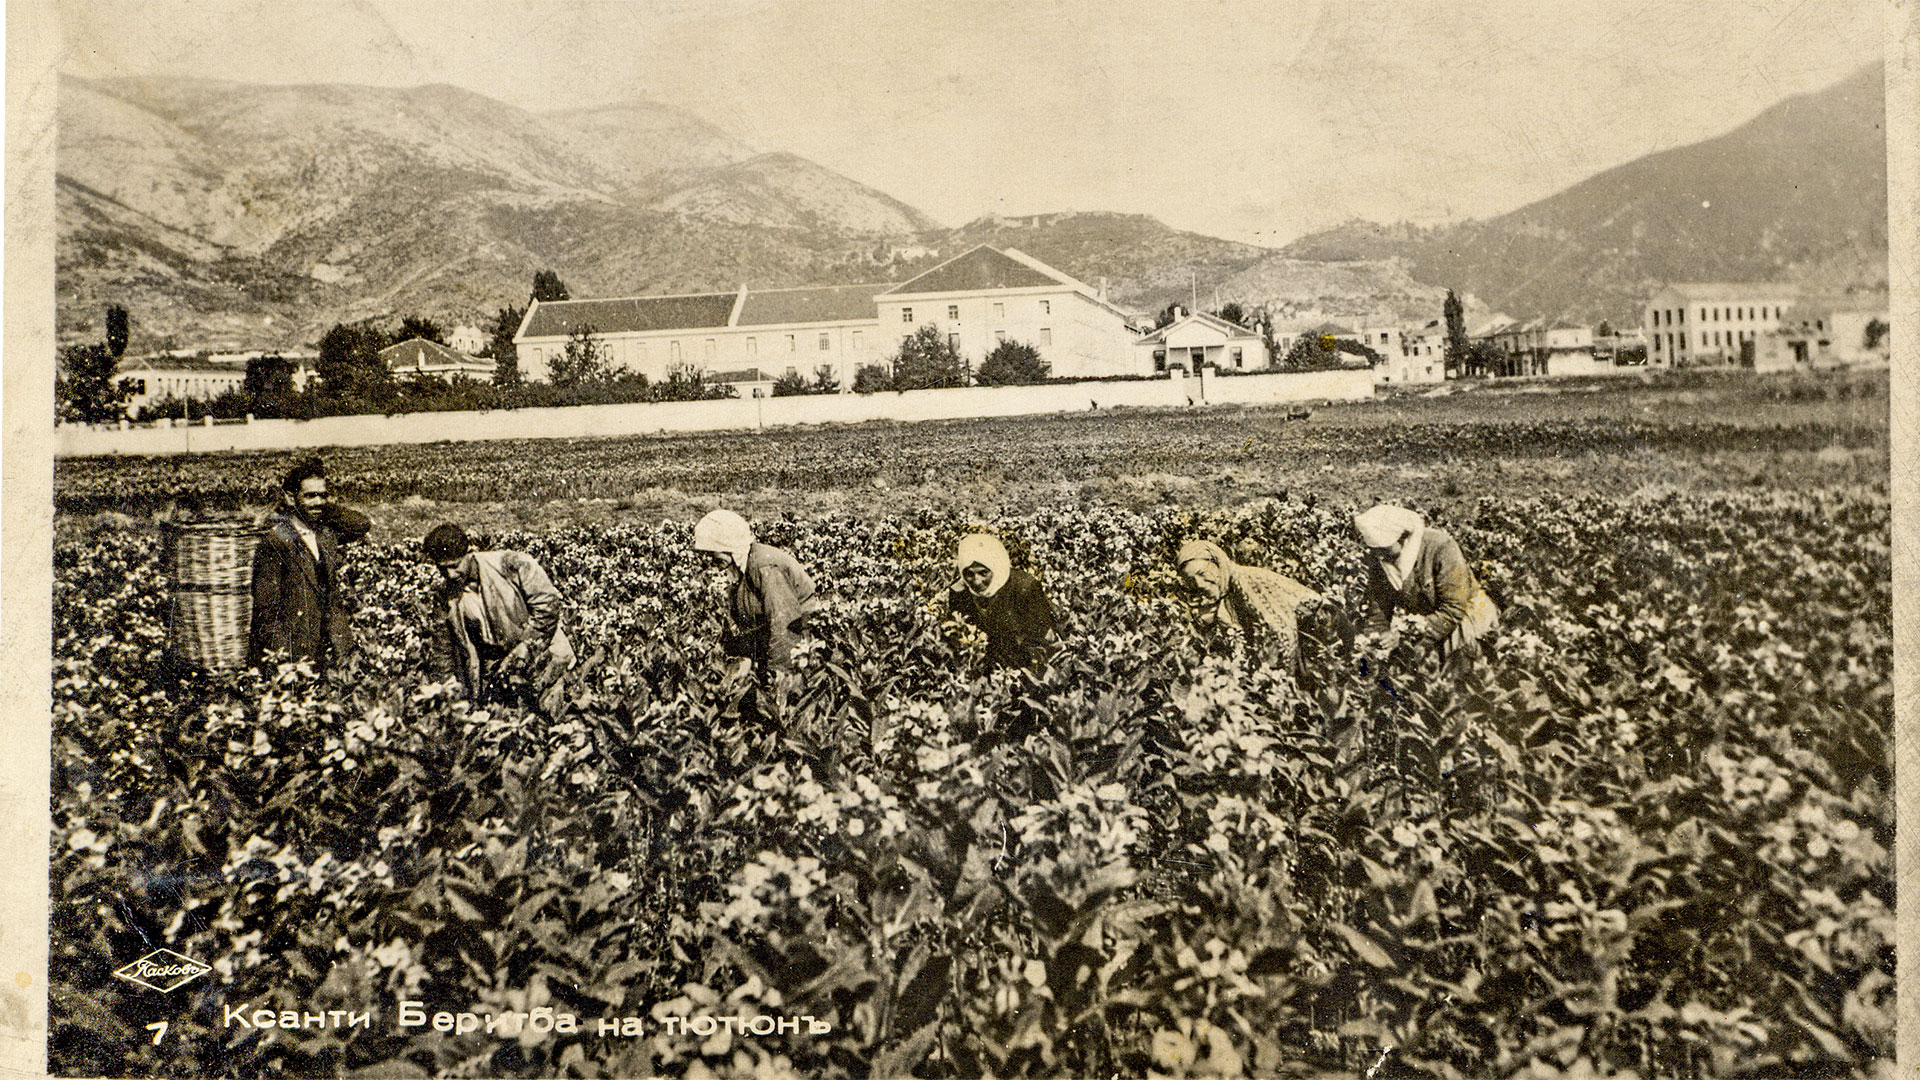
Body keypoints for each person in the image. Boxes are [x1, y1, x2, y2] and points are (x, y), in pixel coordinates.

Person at [423, 523, 575, 712]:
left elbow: (548, 608)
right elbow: (443, 649)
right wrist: (446, 691)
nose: (450, 575)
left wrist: (527, 645)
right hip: (499, 668)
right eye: (442, 569)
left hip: (544, 656)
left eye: (455, 566)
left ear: (470, 552)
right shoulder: (445, 595)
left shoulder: (513, 564)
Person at [692, 509, 820, 720]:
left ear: (729, 548)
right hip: (771, 638)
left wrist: (776, 677)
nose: (710, 561)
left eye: (713, 553)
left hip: (799, 641)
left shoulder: (764, 566)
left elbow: (784, 624)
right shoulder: (742, 566)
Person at [248, 457, 371, 674]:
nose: (318, 501)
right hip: (293, 654)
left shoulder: (325, 534)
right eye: (310, 495)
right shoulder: (277, 541)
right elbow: (266, 612)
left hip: (323, 647)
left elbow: (361, 524)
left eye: (323, 495)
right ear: (290, 497)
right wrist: (284, 660)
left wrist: (318, 505)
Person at [1353, 505, 1499, 672]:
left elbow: (1454, 608)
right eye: (1374, 550)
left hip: (1465, 618)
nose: (1379, 555)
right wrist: (1376, 638)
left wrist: (1405, 635)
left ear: (1403, 538)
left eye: (1384, 549)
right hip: (1426, 624)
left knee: (1459, 676)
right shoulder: (1379, 559)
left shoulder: (1440, 546)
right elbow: (1378, 609)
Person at [1175, 539, 1339, 674]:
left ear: (1217, 563)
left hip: (1331, 633)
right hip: (1311, 637)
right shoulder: (1231, 586)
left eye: (1202, 574)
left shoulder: (1243, 582)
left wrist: (1283, 681)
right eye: (1190, 580)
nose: (1199, 584)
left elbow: (1284, 633)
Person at [947, 533, 1057, 672]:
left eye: (983, 572)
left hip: (1024, 667)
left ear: (995, 566)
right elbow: (958, 634)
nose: (976, 581)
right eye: (969, 574)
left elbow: (1039, 640)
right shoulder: (960, 592)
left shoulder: (1025, 588)